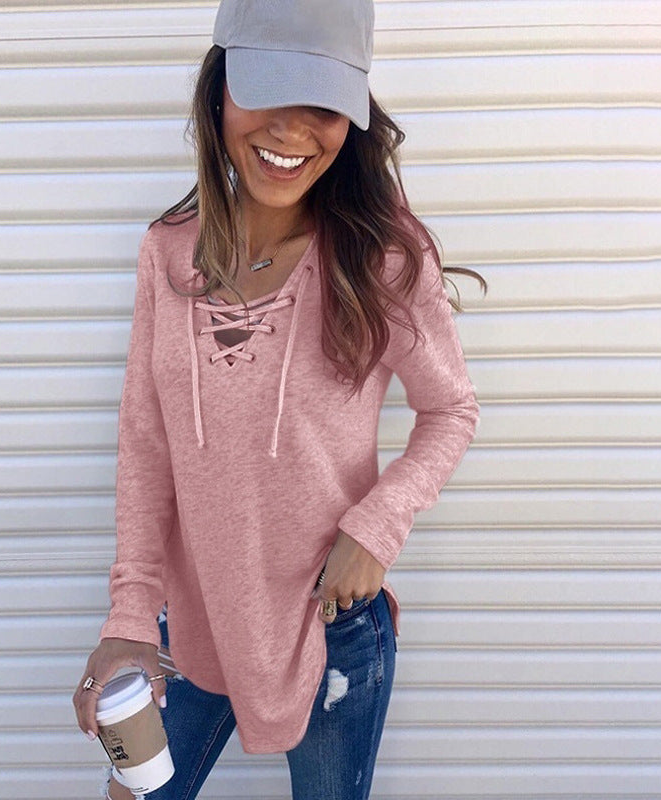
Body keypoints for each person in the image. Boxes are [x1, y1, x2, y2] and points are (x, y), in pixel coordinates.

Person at [73, 0, 485, 797]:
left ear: (353, 116)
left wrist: (376, 526)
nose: (292, 130)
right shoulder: (168, 255)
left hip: (330, 626)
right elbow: (146, 446)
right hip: (192, 624)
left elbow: (451, 410)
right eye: (267, 91)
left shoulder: (382, 259)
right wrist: (129, 615)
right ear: (220, 87)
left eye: (322, 102)